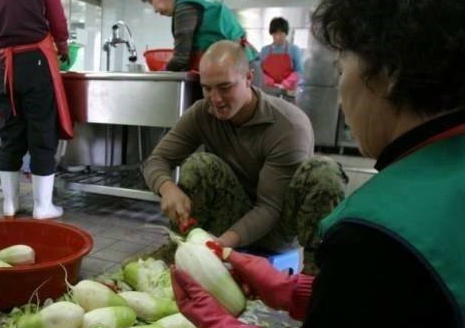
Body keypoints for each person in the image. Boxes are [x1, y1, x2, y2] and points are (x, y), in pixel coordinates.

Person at [172, 0, 465, 328]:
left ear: (388, 73)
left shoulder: (378, 226)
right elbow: (406, 313)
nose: (344, 89)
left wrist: (223, 327)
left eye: (345, 64)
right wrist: (289, 289)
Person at [142, 40, 347, 274]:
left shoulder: (288, 124)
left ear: (249, 78)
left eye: (225, 87)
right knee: (201, 165)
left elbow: (269, 207)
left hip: (278, 226)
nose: (216, 99)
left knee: (324, 173)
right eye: (207, 88)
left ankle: (315, 277)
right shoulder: (202, 113)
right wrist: (167, 187)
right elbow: (155, 161)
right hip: (231, 214)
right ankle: (181, 251)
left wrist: (220, 244)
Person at [0, 0, 71, 220]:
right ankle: (43, 207)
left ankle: (9, 204)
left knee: (10, 131)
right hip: (36, 61)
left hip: (5, 64)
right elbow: (57, 21)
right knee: (42, 131)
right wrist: (63, 46)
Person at [138, 0, 259, 79]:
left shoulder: (185, 7)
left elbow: (181, 59)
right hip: (245, 63)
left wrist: (158, 76)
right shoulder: (194, 0)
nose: (154, 9)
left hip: (240, 69)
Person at [260, 17, 304, 94]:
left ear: (286, 33)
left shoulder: (294, 50)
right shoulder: (264, 50)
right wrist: (267, 80)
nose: (278, 37)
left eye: (281, 33)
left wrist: (287, 83)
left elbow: (299, 71)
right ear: (271, 34)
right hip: (269, 90)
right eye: (275, 33)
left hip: (288, 91)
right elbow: (259, 70)